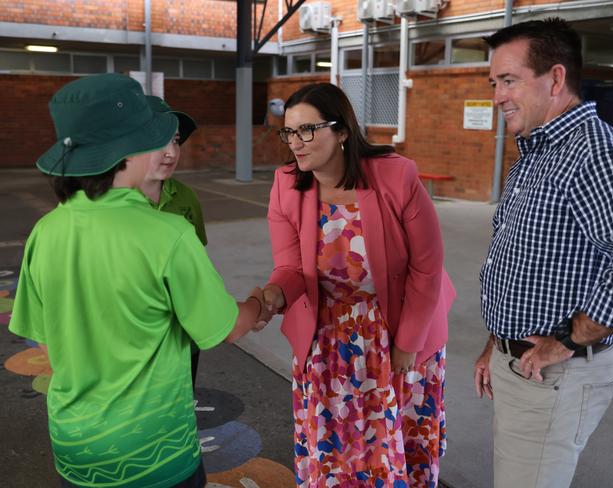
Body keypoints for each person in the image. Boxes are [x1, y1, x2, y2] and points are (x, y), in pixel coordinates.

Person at [8, 73, 270, 487]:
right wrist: (258, 305)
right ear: (128, 149)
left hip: (74, 448)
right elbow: (226, 329)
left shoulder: (46, 230)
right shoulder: (167, 234)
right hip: (154, 451)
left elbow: (46, 342)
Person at [473, 18, 613, 488]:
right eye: (494, 83)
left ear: (555, 78)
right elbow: (521, 259)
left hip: (555, 373)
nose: (497, 97)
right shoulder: (537, 152)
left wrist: (570, 340)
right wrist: (496, 342)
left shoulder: (595, 154)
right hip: (521, 364)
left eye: (508, 81)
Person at [259, 82, 456, 487]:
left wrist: (408, 343)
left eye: (308, 130)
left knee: (395, 445)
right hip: (329, 339)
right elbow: (291, 268)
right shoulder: (286, 184)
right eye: (289, 132)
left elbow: (427, 267)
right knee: (337, 448)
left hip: (399, 332)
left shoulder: (395, 176)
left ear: (343, 131)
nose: (296, 142)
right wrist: (271, 296)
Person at [140, 95, 206, 389]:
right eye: (158, 142)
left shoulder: (186, 197)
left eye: (176, 140)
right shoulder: (107, 205)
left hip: (182, 334)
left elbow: (196, 267)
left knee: (179, 409)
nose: (170, 153)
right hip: (135, 340)